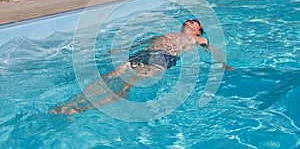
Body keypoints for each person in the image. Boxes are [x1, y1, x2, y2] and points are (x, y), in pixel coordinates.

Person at [50, 19, 233, 115]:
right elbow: (141, 43)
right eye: (189, 19)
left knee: (124, 87)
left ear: (198, 30)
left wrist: (222, 64)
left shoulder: (200, 39)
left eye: (194, 21)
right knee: (105, 78)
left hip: (161, 59)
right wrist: (116, 51)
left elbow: (211, 50)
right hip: (141, 55)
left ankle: (77, 109)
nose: (190, 20)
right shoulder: (167, 34)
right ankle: (68, 105)